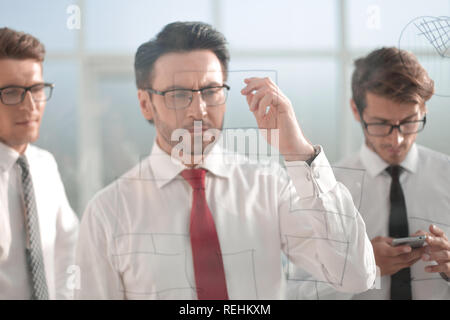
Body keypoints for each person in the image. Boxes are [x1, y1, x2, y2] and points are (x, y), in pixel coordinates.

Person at [74, 21, 376, 300]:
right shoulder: (108, 213)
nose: (199, 110)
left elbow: (355, 276)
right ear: (145, 104)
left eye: (210, 91)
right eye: (179, 95)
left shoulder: (269, 187)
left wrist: (299, 151)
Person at [287, 47, 450, 300]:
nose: (396, 139)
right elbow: (297, 292)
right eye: (381, 124)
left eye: (409, 122)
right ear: (356, 110)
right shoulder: (323, 192)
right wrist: (362, 268)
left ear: (424, 109)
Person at [0, 28, 79, 299]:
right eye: (11, 92)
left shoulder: (45, 165)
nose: (30, 105)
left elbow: (68, 244)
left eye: (36, 89)